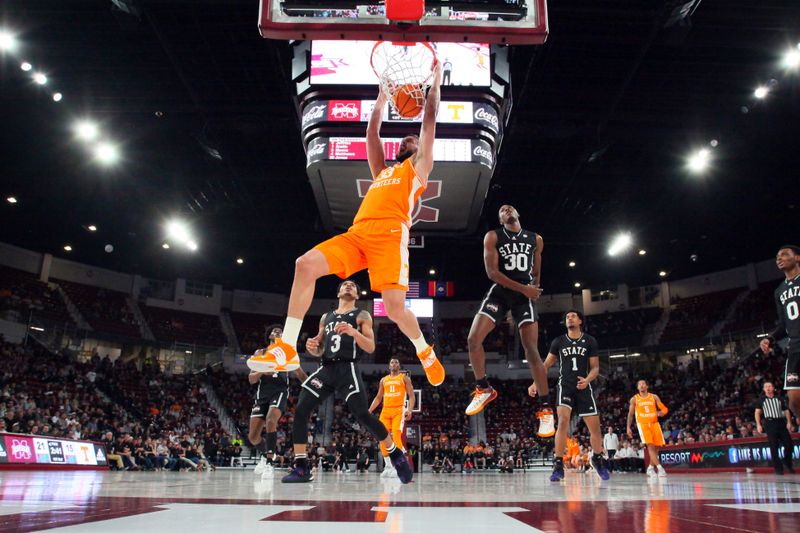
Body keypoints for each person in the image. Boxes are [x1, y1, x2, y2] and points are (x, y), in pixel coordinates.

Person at [248, 63, 446, 389]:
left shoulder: (419, 169)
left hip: (390, 234)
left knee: (395, 308)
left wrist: (435, 83)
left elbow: (429, 119)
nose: (409, 137)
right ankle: (285, 347)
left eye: (413, 138)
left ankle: (425, 352)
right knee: (305, 264)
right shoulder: (383, 171)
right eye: (405, 137)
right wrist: (382, 99)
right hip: (358, 234)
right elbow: (372, 134)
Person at [281, 280, 413, 484]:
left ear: (358, 295)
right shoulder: (327, 317)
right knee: (300, 410)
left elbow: (370, 347)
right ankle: (301, 468)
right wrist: (312, 347)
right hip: (326, 369)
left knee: (363, 414)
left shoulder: (361, 315)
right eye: (345, 284)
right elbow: (320, 346)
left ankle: (395, 454)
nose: (349, 286)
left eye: (353, 285)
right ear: (338, 292)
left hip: (347, 368)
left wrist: (354, 332)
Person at [466, 205, 552, 437]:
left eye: (510, 208)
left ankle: (546, 410)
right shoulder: (493, 236)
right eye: (502, 210)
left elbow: (536, 272)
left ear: (518, 213)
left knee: (531, 350)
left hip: (524, 295)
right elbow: (492, 273)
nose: (506, 210)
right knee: (473, 339)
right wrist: (524, 288)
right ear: (500, 219)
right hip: (501, 291)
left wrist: (532, 290)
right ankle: (483, 388)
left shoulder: (536, 239)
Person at [530, 310, 610, 481]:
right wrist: (535, 382)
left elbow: (595, 367)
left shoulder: (589, 340)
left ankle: (597, 458)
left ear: (580, 320)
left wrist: (588, 379)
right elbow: (545, 365)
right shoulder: (558, 341)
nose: (569, 318)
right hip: (565, 386)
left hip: (584, 386)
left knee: (595, 428)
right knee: (563, 422)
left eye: (573, 316)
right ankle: (558, 465)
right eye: (567, 317)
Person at [249, 325, 308, 479]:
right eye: (274, 331)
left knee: (270, 419)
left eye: (280, 331)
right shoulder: (261, 352)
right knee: (253, 437)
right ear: (269, 336)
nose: (277, 332)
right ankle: (264, 455)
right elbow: (251, 379)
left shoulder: (288, 353)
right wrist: (264, 369)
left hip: (280, 391)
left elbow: (300, 373)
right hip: (262, 394)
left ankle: (269, 463)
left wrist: (312, 387)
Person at [368, 357, 415, 478]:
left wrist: (409, 410)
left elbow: (411, 395)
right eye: (392, 362)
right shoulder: (383, 380)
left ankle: (397, 466)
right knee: (382, 437)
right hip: (385, 410)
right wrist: (369, 410)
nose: (394, 364)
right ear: (389, 366)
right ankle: (388, 466)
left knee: (396, 435)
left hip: (398, 410)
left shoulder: (404, 378)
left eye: (396, 362)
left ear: (399, 366)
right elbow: (378, 398)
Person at [770, 245, 800, 418]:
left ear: (797, 258)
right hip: (795, 348)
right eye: (777, 257)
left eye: (784, 255)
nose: (779, 259)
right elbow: (782, 324)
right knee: (794, 401)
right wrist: (770, 339)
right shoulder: (779, 291)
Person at [627, 379, 668, 478]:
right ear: (637, 387)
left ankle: (650, 467)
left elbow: (664, 409)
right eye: (639, 384)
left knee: (657, 447)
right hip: (643, 425)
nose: (641, 385)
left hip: (655, 424)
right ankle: (660, 468)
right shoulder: (634, 399)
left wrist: (662, 412)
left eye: (643, 384)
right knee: (650, 446)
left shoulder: (654, 397)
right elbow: (631, 414)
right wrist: (628, 427)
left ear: (647, 386)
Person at [754, 381, 796, 475]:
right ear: (764, 389)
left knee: (789, 444)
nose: (768, 388)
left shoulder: (780, 398)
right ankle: (778, 468)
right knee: (774, 446)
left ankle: (787, 462)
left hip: (780, 422)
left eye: (770, 386)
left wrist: (789, 422)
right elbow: (757, 413)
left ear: (773, 388)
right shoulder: (761, 400)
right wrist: (758, 424)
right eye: (766, 387)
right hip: (770, 423)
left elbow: (786, 411)